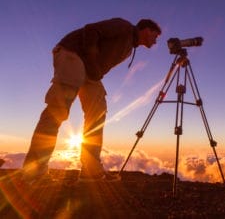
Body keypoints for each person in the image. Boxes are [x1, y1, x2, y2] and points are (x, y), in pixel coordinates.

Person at [22, 17, 162, 184]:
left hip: (89, 70)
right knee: (57, 111)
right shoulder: (124, 27)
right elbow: (91, 30)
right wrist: (92, 57)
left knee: (98, 112)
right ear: (146, 30)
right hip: (72, 54)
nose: (155, 42)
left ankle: (91, 170)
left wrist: (95, 69)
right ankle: (35, 172)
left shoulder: (129, 49)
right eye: (155, 36)